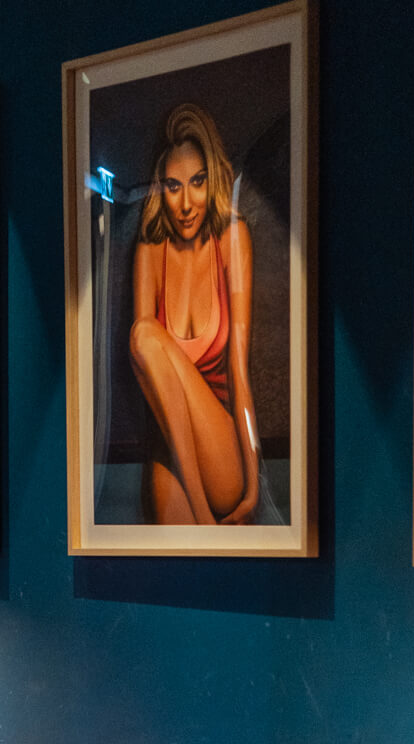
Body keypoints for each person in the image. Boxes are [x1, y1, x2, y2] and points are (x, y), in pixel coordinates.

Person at [128, 103, 260, 525]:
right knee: (143, 336)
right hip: (170, 447)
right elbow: (144, 366)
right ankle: (201, 516)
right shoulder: (150, 251)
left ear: (213, 180)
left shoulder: (232, 237)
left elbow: (238, 370)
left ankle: (205, 515)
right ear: (158, 190)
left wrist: (253, 491)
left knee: (145, 332)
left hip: (221, 456)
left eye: (197, 182)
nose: (186, 203)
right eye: (173, 186)